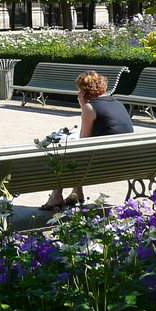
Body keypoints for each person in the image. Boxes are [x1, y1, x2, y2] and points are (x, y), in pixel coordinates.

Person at [40, 71, 134, 210]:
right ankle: (77, 193)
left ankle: (56, 196)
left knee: (63, 151)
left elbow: (83, 143)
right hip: (127, 162)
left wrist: (83, 106)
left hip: (101, 165)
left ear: (83, 91)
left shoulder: (90, 108)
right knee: (76, 151)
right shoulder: (118, 103)